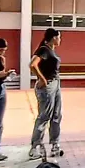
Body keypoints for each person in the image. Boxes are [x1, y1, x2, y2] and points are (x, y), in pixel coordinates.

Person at [29, 28, 64, 159]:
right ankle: (35, 146)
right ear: (54, 37)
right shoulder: (43, 49)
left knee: (56, 115)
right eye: (59, 37)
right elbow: (33, 64)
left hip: (56, 83)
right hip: (48, 85)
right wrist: (42, 79)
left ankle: (55, 144)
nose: (60, 40)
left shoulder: (51, 51)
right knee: (44, 116)